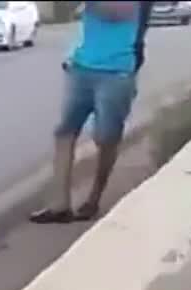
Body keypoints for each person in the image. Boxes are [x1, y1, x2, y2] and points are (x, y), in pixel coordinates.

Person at [30, 1, 153, 224]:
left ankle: (94, 198)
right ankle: (60, 206)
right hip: (81, 68)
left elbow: (117, 12)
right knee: (64, 133)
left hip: (116, 73)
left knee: (106, 138)